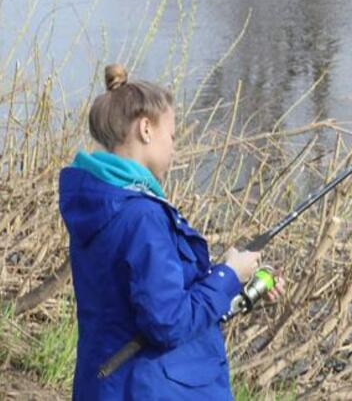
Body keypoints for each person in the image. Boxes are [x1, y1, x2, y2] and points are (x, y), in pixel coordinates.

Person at [59, 64, 276, 400]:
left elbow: (140, 302)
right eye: (172, 135)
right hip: (151, 388)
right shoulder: (141, 215)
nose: (174, 148)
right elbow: (167, 322)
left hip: (109, 384)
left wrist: (233, 281)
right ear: (146, 129)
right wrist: (228, 272)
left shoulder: (101, 202)